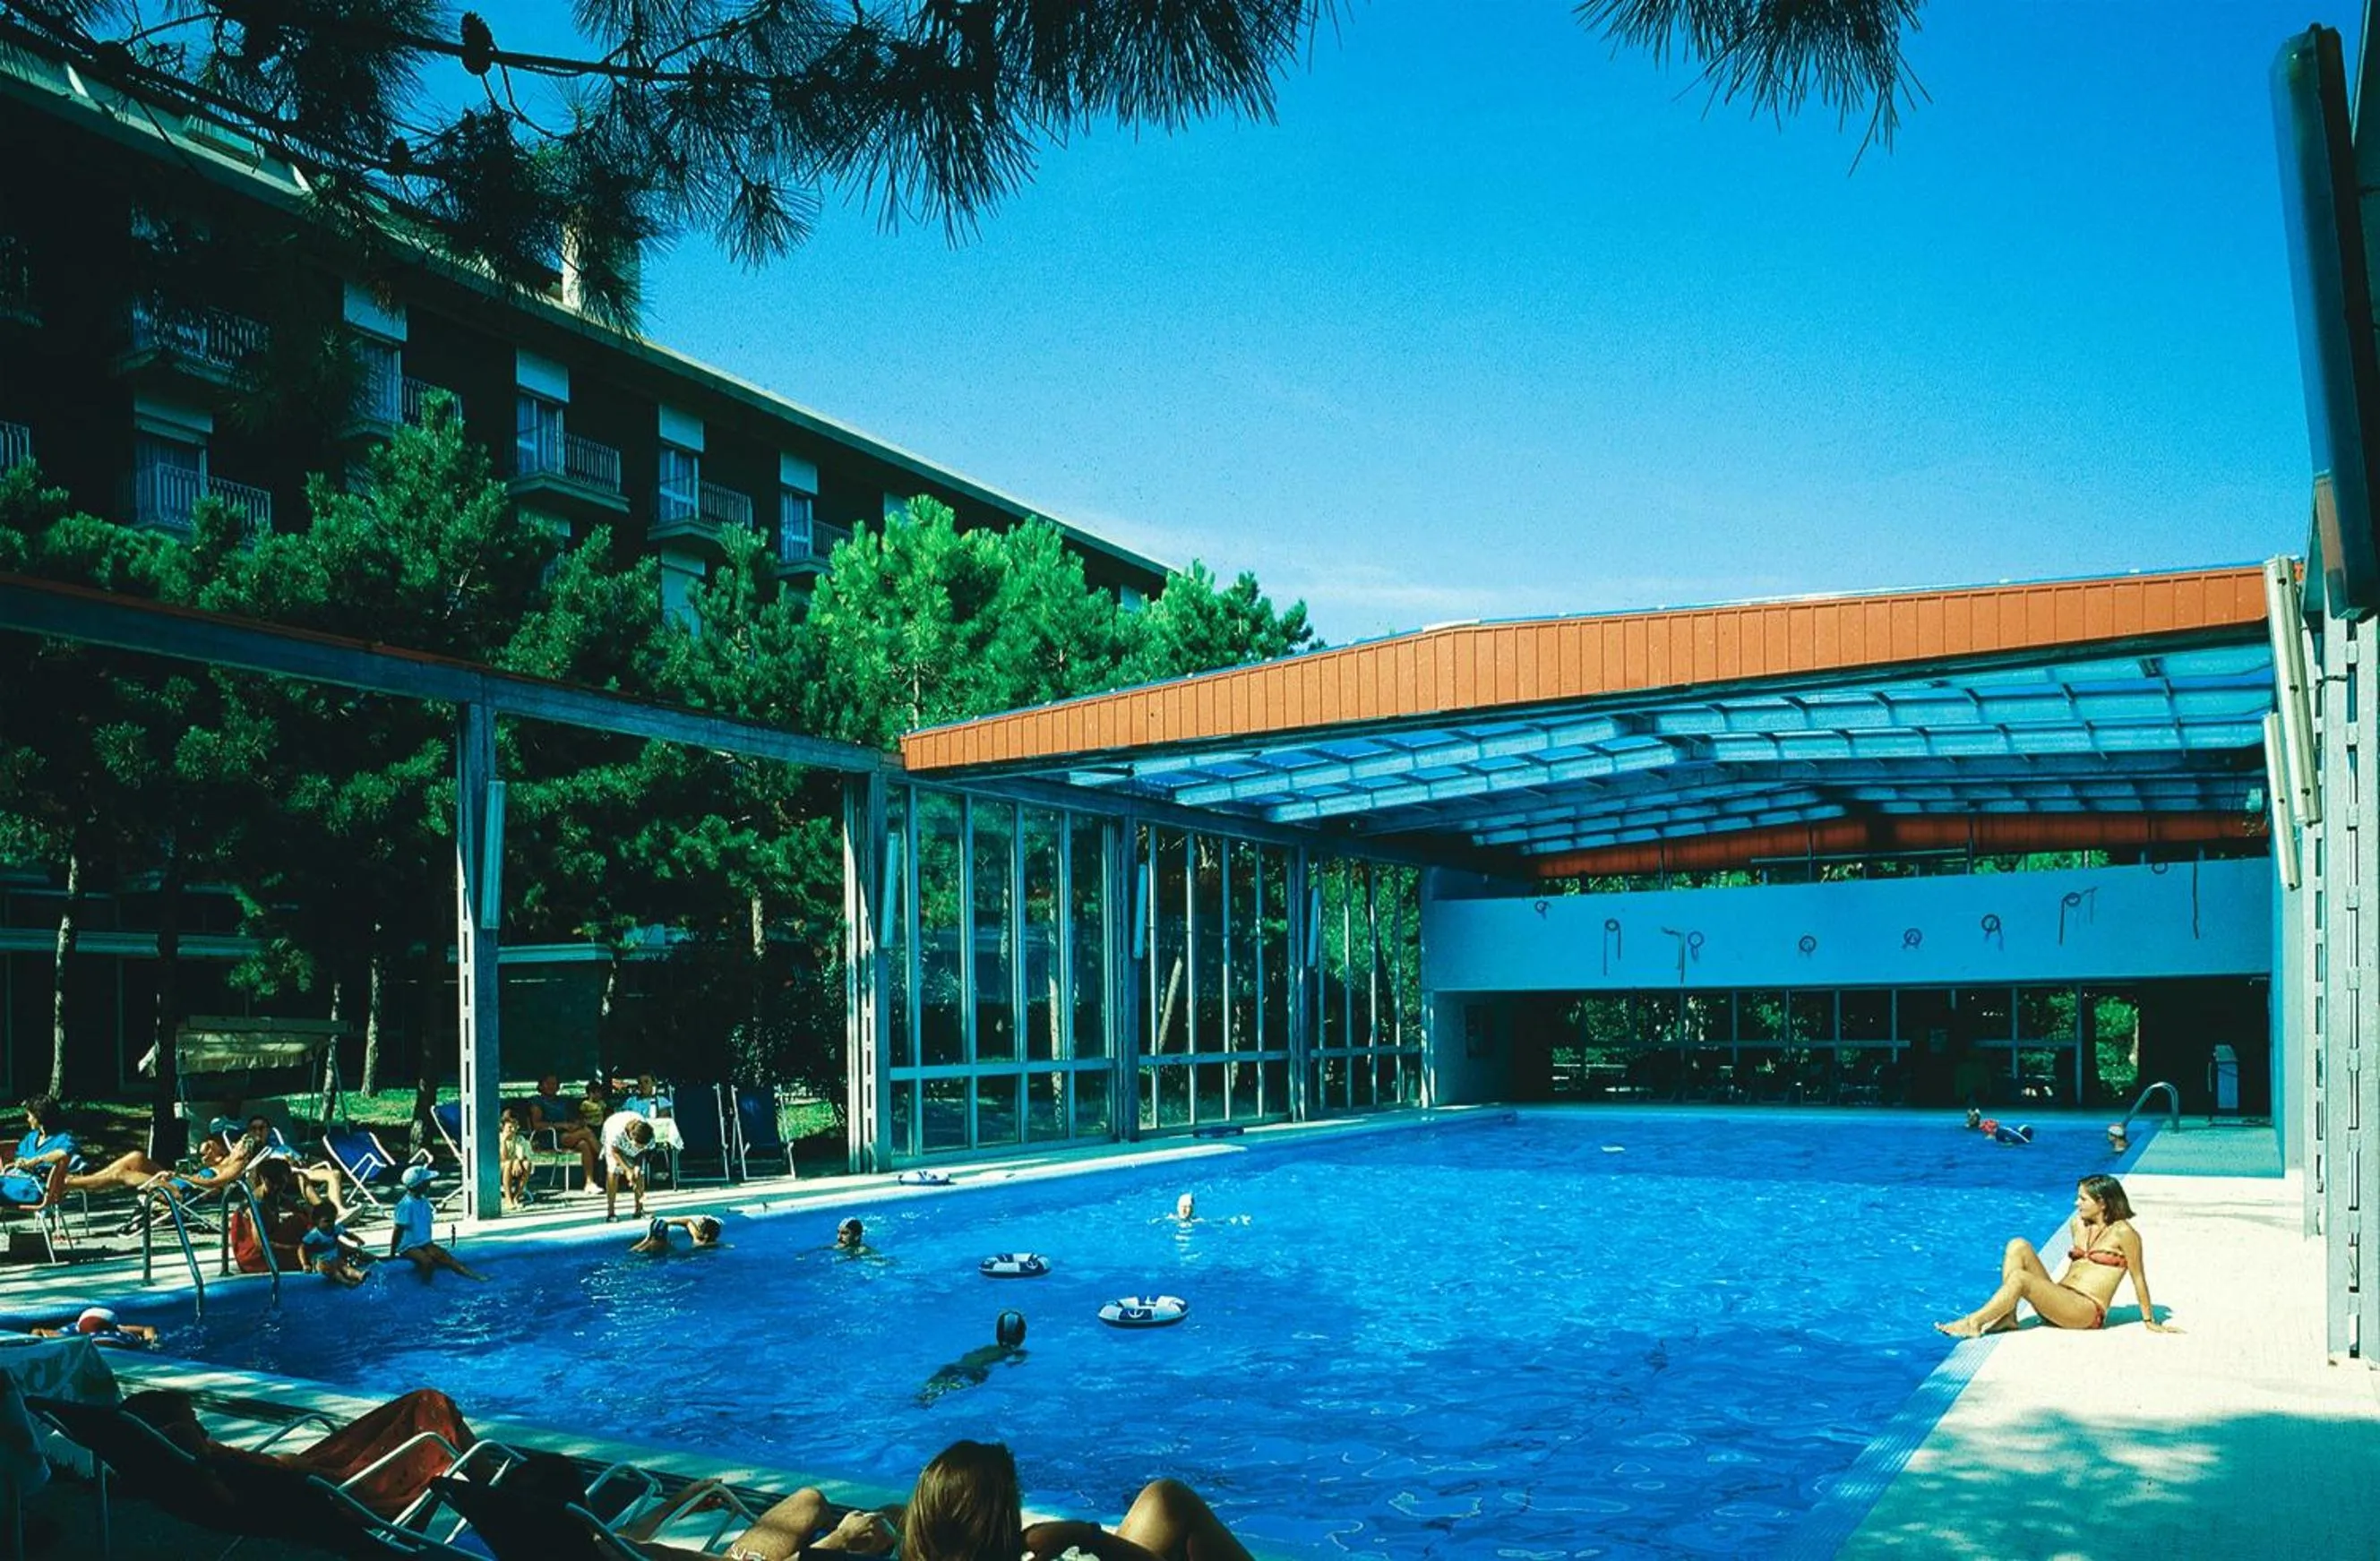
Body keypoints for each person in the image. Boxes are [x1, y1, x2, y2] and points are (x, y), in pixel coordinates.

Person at [126, 1384, 477, 1520]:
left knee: (421, 1405)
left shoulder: (191, 1467)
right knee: (431, 1405)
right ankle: (493, 1484)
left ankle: (491, 1480)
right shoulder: (208, 1462)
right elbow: (280, 1480)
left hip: (315, 1480)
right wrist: (295, 1466)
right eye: (193, 1421)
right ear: (176, 1431)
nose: (202, 1427)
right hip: (340, 1492)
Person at [1935, 1173, 2178, 1337]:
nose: (2076, 1203)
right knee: (2018, 1245)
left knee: (2020, 1278)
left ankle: (1973, 1323)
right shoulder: (2078, 1224)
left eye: (2082, 1199)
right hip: (2060, 1300)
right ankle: (2008, 1316)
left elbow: (2138, 1277)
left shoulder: (2124, 1233)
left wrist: (2149, 1321)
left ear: (2102, 1203)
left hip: (2085, 1311)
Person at [389, 1164, 485, 1280]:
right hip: (408, 1247)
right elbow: (398, 1230)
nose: (430, 1183)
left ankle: (472, 1275)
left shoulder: (423, 1201)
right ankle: (426, 1285)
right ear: (420, 1185)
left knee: (444, 1256)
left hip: (423, 1243)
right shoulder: (406, 1205)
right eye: (427, 1181)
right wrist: (392, 1253)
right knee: (427, 1262)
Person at [917, 1311, 1028, 1407]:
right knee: (950, 1389)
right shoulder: (1017, 1352)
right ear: (1022, 1335)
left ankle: (924, 1397)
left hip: (954, 1366)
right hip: (974, 1372)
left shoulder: (987, 1348)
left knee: (931, 1389)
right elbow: (1012, 1364)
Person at [525, 1073, 603, 1192]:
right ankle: (606, 1157)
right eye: (548, 1083)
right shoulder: (537, 1101)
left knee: (584, 1144)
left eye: (555, 1084)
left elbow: (571, 1118)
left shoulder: (562, 1101)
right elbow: (537, 1125)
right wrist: (562, 1125)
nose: (552, 1086)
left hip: (566, 1135)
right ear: (541, 1085)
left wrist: (576, 1123)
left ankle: (589, 1182)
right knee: (586, 1133)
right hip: (548, 1136)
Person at [1, 1094, 75, 1205]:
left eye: (29, 1115)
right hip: (17, 1180)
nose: (28, 1119)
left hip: (36, 1187)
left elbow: (63, 1153)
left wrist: (37, 1160)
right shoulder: (31, 1137)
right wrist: (20, 1161)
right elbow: (19, 1156)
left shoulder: (63, 1138)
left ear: (39, 1116)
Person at [601, 1111, 657, 1222]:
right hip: (614, 1144)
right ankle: (611, 1212)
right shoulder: (615, 1132)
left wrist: (637, 1166)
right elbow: (614, 1151)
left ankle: (639, 1210)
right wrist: (627, 1170)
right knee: (613, 1171)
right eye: (638, 1145)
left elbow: (644, 1151)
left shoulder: (648, 1134)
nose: (640, 1147)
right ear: (631, 1136)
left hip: (630, 1143)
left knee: (639, 1174)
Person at [299, 1201, 368, 1287]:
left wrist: (357, 1239)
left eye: (333, 1220)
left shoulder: (335, 1228)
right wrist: (305, 1264)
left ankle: (359, 1275)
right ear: (316, 1221)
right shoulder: (314, 1235)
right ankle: (346, 1282)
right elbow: (301, 1248)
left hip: (334, 1258)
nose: (330, 1224)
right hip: (321, 1262)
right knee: (332, 1270)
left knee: (344, 1267)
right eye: (326, 1221)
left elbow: (347, 1234)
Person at [27, 1306, 158, 1347]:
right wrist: (151, 1342)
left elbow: (38, 1330)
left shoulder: (62, 1336)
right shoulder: (120, 1330)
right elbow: (147, 1329)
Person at [631, 1214, 725, 1255]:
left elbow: (688, 1222)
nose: (697, 1228)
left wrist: (668, 1222)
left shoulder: (697, 1240)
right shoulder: (716, 1245)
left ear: (705, 1235)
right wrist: (667, 1222)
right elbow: (688, 1222)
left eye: (699, 1227)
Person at [498, 1105, 535, 1210]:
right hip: (498, 1168)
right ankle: (508, 1198)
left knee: (527, 1164)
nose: (513, 1130)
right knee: (508, 1163)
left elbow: (522, 1155)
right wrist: (504, 1141)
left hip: (515, 1168)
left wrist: (517, 1161)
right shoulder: (498, 1138)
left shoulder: (519, 1139)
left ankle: (516, 1196)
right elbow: (503, 1158)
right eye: (510, 1127)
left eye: (515, 1127)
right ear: (503, 1126)